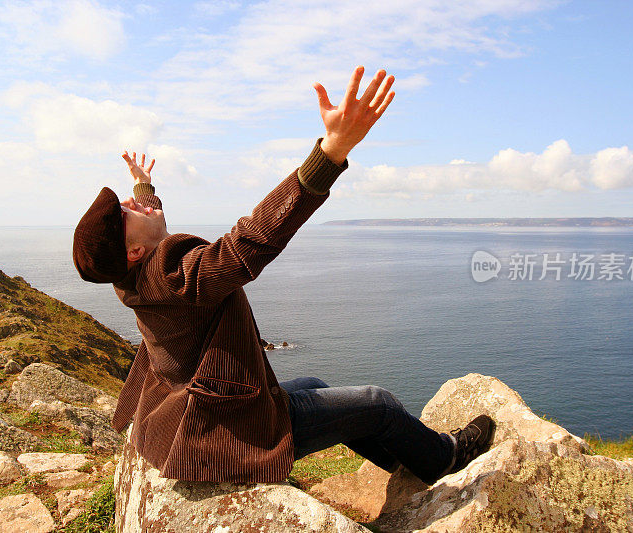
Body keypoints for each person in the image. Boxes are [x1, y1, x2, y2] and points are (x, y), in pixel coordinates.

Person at [72, 66, 495, 484]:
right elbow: (249, 242)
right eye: (130, 211)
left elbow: (158, 246)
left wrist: (147, 191)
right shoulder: (175, 276)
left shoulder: (133, 277)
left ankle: (405, 461)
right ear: (134, 251)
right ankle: (445, 459)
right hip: (222, 432)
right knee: (378, 403)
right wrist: (330, 152)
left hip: (189, 414)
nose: (135, 202)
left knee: (315, 383)